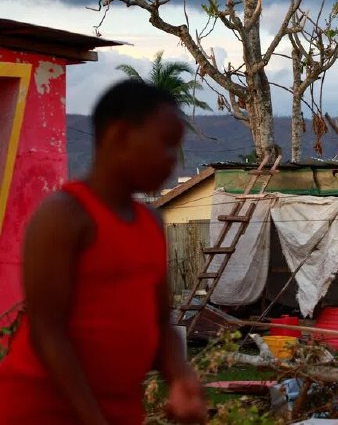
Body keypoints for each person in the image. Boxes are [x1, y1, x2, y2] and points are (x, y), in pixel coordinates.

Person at [0, 80, 207, 424]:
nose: (174, 161)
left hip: (117, 409)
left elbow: (161, 322)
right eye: (167, 145)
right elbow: (47, 330)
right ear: (121, 136)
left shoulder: (151, 223)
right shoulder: (64, 216)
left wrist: (180, 378)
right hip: (42, 408)